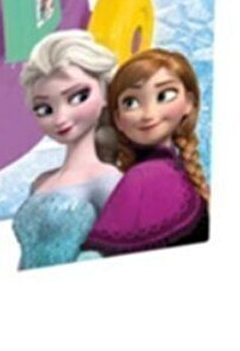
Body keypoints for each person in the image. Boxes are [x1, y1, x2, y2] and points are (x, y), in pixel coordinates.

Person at [11, 32, 122, 269]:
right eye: (44, 109)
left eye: (78, 97)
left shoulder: (106, 181)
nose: (61, 118)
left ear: (105, 93)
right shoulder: (40, 183)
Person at [85, 49, 209, 256]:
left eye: (164, 96)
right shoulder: (177, 170)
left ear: (189, 102)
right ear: (118, 119)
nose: (148, 114)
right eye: (131, 102)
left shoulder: (143, 178)